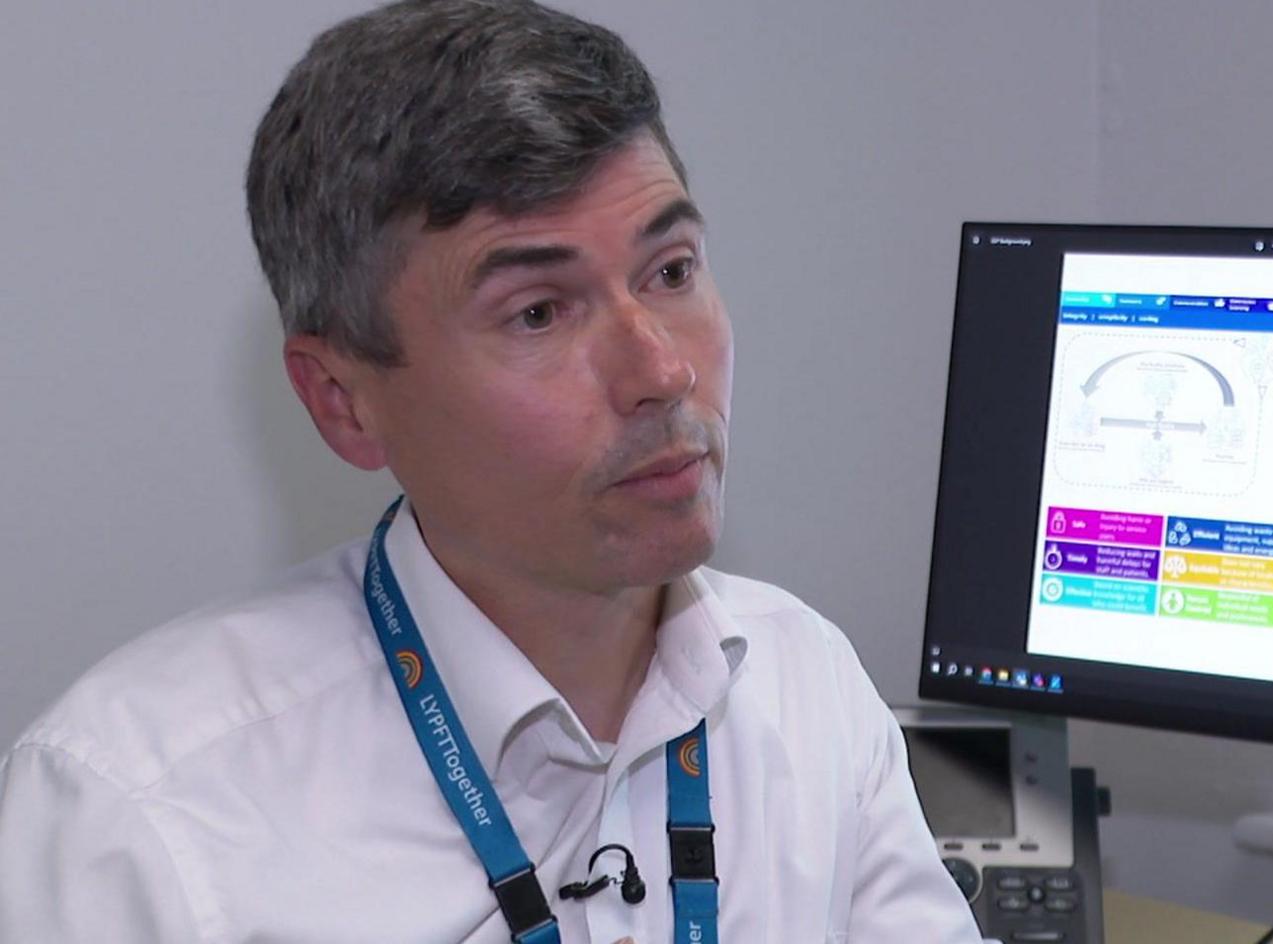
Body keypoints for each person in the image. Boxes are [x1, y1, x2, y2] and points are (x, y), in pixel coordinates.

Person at [0, 2, 982, 941]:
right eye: (539, 312)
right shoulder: (133, 817)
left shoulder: (806, 682)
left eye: (671, 271)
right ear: (345, 400)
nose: (663, 370)